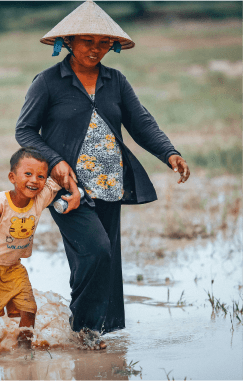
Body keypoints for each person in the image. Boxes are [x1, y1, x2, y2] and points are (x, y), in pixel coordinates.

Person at [15, 0, 190, 349]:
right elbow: (25, 131)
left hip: (111, 183)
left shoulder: (116, 81)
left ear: (112, 46)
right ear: (69, 42)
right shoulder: (48, 82)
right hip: (66, 188)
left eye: (103, 43)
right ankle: (83, 327)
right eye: (87, 41)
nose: (95, 50)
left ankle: (90, 332)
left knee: (104, 256)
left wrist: (169, 152)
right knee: (96, 251)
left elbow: (141, 123)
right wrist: (54, 161)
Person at [0, 147, 80, 355]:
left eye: (41, 176)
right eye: (28, 174)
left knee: (29, 310)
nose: (34, 180)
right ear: (12, 177)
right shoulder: (0, 201)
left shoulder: (39, 200)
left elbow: (61, 175)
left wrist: (75, 191)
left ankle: (23, 354)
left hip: (14, 268)